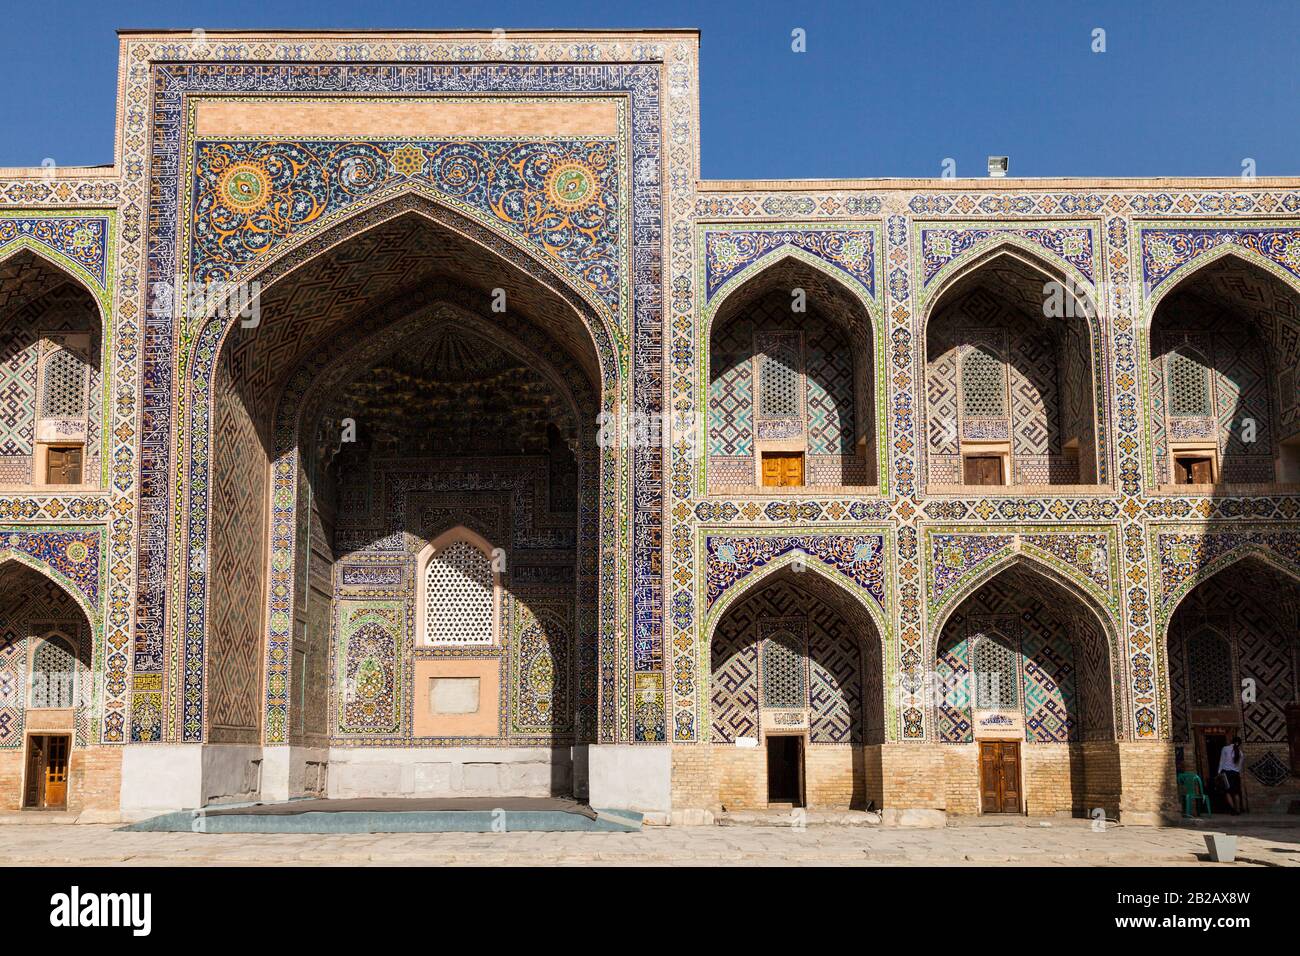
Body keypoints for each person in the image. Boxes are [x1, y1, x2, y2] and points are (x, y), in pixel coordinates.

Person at [1217, 736, 1244, 815]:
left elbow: (1221, 761)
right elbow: (1240, 767)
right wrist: (1236, 771)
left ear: (1231, 741)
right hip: (1235, 774)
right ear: (1239, 744)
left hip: (1226, 773)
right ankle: (1238, 809)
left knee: (1227, 792)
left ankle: (1233, 809)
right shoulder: (1240, 753)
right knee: (1236, 792)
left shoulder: (1225, 749)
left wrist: (1219, 772)